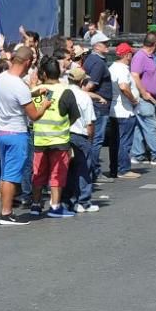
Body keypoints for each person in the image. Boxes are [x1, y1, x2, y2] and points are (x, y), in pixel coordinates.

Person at [0, 46, 52, 226]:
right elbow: (34, 115)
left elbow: (17, 97)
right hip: (16, 133)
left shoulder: (2, 77)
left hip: (1, 131)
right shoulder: (19, 85)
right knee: (11, 176)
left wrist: (34, 93)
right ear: (27, 62)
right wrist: (45, 105)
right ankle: (6, 213)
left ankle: (5, 211)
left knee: (5, 175)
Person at [29, 56, 81, 218]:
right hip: (59, 141)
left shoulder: (36, 91)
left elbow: (32, 112)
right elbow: (74, 116)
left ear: (43, 73)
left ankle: (36, 205)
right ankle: (55, 206)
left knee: (38, 174)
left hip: (39, 140)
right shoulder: (65, 91)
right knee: (57, 174)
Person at [130, 32, 156, 167]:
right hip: (145, 99)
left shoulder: (150, 56)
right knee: (150, 127)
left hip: (151, 98)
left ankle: (137, 155)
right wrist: (144, 93)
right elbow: (134, 75)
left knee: (141, 128)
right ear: (155, 43)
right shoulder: (140, 56)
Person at [64, 68, 99, 213]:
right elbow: (89, 123)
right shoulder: (84, 97)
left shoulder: (62, 93)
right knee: (83, 169)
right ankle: (83, 201)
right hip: (79, 135)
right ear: (82, 81)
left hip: (62, 135)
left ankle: (68, 201)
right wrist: (90, 140)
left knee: (67, 170)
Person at [82, 32, 113, 183]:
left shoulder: (93, 60)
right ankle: (94, 172)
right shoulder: (98, 63)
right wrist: (97, 97)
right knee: (96, 140)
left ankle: (92, 171)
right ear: (96, 46)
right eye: (104, 43)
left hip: (98, 105)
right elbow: (89, 85)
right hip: (99, 107)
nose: (107, 46)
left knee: (94, 140)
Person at [108, 42, 139, 180]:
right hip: (125, 110)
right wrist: (133, 100)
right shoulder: (122, 69)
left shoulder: (112, 67)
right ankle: (124, 169)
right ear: (127, 55)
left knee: (115, 142)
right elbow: (124, 87)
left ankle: (114, 169)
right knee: (124, 142)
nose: (132, 56)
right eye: (131, 53)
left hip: (114, 110)